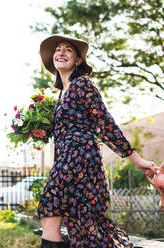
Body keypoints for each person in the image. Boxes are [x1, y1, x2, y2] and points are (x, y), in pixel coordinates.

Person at [37, 35, 157, 248]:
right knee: (79, 224)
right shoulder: (62, 94)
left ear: (78, 61)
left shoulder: (82, 84)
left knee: (51, 207)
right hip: (66, 160)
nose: (61, 52)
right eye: (58, 49)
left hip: (81, 159)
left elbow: (104, 122)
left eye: (68, 50)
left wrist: (136, 159)